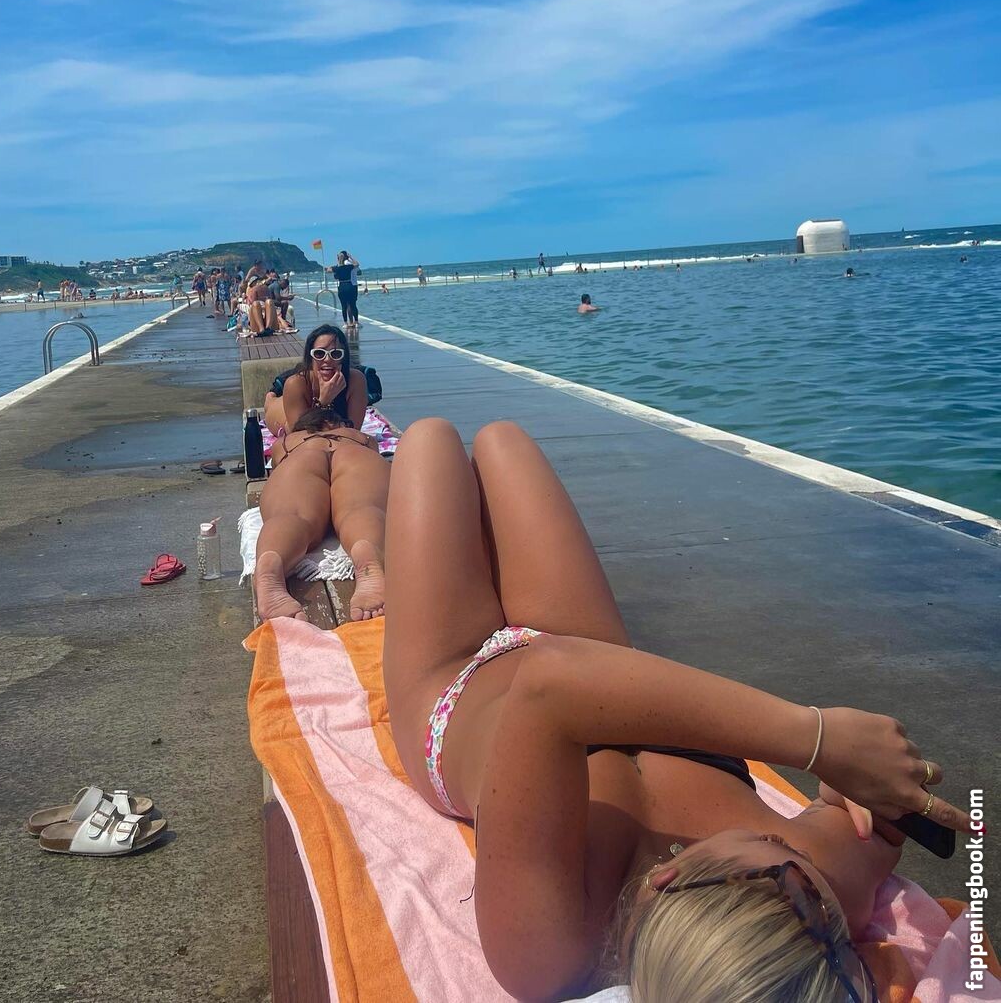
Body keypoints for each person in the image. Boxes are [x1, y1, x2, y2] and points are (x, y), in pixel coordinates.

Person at [381, 419, 970, 1001]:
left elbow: (548, 682)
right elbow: (879, 819)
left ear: (668, 876)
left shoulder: (548, 953)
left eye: (780, 850)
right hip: (591, 654)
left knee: (430, 440)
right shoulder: (813, 901)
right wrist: (858, 793)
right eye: (797, 856)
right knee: (502, 439)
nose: (788, 839)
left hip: (455, 686)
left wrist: (816, 739)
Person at [253, 404, 389, 623]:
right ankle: (368, 558)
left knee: (292, 515)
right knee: (362, 507)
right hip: (356, 454)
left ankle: (270, 565)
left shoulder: (286, 442)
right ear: (333, 422)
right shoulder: (362, 438)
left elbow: (277, 465)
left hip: (300, 456)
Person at [264, 323, 369, 436]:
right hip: (281, 415)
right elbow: (300, 436)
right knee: (272, 401)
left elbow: (354, 432)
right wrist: (323, 401)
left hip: (307, 411)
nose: (327, 359)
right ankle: (270, 398)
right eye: (319, 353)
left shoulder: (356, 380)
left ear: (343, 358)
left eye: (335, 354)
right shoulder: (295, 384)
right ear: (310, 358)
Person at [330, 250, 361, 327]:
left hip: (342, 286)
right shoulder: (349, 264)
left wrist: (338, 261)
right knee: (352, 304)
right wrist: (351, 257)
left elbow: (332, 273)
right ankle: (355, 322)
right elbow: (358, 269)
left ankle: (348, 322)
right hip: (352, 285)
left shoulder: (338, 267)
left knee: (345, 305)